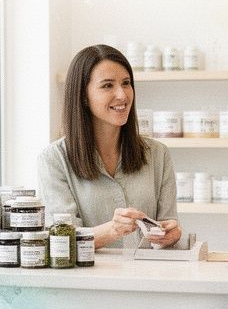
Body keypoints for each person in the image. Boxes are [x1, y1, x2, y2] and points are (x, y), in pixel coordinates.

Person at [38, 44, 181, 249]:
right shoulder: (54, 159)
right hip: (88, 271)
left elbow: (168, 227)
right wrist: (112, 230)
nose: (122, 95)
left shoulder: (158, 154)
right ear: (83, 95)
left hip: (146, 270)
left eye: (126, 83)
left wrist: (170, 236)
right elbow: (62, 242)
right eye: (107, 85)